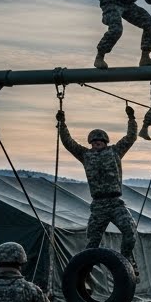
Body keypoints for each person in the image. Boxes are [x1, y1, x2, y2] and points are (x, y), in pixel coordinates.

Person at [58, 105, 139, 271]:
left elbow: (131, 137)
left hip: (115, 202)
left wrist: (131, 118)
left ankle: (125, 260)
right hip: (99, 205)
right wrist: (62, 124)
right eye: (94, 142)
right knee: (92, 243)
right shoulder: (85, 155)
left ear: (105, 142)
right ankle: (84, 274)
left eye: (99, 141)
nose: (96, 144)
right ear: (90, 144)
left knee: (130, 232)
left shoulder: (115, 151)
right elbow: (68, 142)